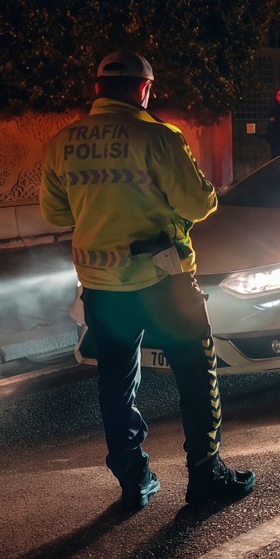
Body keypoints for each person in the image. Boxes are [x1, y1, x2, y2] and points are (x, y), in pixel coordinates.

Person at [40, 50, 256, 510]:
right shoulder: (159, 136)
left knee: (116, 383)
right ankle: (205, 475)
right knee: (196, 375)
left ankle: (133, 479)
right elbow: (199, 204)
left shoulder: (63, 141)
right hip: (164, 282)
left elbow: (55, 213)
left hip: (101, 286)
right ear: (144, 88)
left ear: (97, 89)